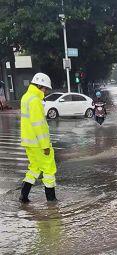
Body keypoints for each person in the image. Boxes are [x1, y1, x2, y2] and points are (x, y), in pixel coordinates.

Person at [19, 73, 57, 203]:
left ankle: (23, 196)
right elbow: (39, 125)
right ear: (39, 85)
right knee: (49, 170)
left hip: (28, 142)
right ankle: (51, 201)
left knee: (34, 168)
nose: (45, 92)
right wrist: (45, 146)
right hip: (38, 143)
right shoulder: (35, 100)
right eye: (45, 89)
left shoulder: (26, 97)